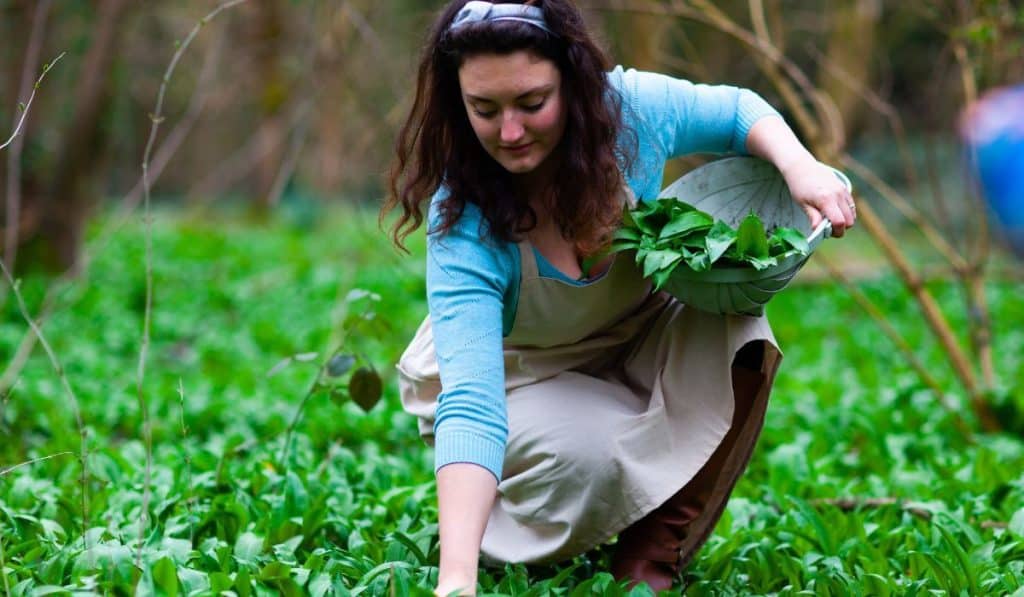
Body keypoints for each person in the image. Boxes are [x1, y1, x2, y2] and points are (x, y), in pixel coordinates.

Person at [381, 1, 855, 594]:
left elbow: (737, 110)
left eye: (533, 103)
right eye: (484, 109)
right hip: (522, 375)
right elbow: (472, 403)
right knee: (592, 458)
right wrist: (456, 580)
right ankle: (498, 535)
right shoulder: (464, 223)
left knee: (741, 331)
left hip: (634, 331)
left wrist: (801, 167)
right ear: (459, 105)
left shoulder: (631, 113)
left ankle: (652, 557)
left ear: (574, 83)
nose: (510, 132)